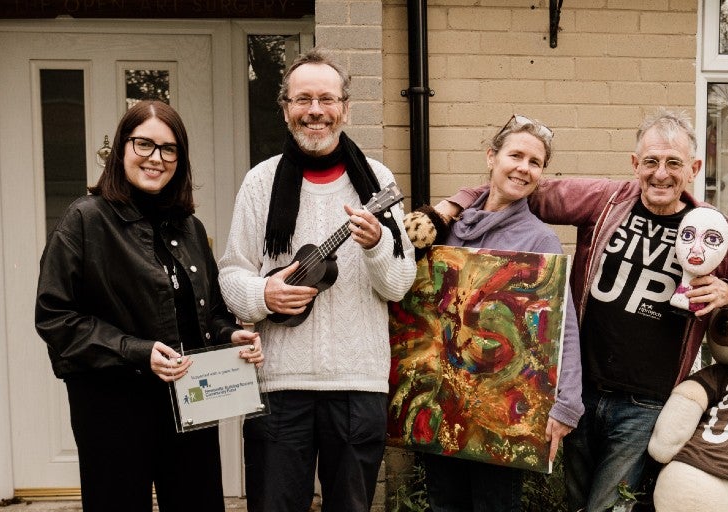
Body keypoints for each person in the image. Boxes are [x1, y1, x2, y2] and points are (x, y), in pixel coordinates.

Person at [439, 110, 728, 511]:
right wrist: (450, 205)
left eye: (673, 163)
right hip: (583, 389)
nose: (661, 174)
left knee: (606, 505)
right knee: (576, 501)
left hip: (646, 402)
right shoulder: (605, 200)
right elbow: (518, 184)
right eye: (650, 161)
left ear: (694, 169)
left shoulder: (712, 226)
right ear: (636, 164)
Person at [35, 100, 264, 512]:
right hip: (111, 406)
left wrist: (232, 335)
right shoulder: (85, 220)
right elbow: (55, 317)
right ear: (123, 147)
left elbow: (209, 311)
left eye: (169, 148)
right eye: (145, 144)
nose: (156, 158)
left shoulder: (189, 226)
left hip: (190, 400)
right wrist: (137, 351)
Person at [217, 49, 417, 512]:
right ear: (285, 108)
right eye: (302, 99)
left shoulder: (378, 181)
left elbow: (399, 283)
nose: (315, 111)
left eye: (326, 99)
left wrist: (375, 246)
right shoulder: (260, 183)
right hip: (278, 385)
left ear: (345, 107)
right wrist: (263, 293)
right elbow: (231, 273)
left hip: (357, 384)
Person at [416, 115, 584, 512]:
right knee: (443, 503)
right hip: (442, 399)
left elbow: (564, 327)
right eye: (516, 155)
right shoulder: (447, 228)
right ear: (491, 157)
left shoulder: (538, 238)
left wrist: (567, 404)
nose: (523, 168)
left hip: (501, 411)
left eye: (535, 162)